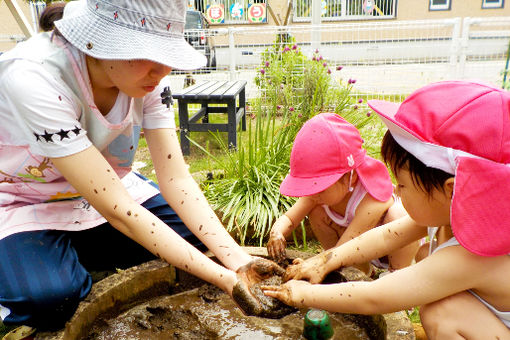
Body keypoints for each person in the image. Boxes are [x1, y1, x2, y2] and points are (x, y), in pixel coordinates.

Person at [0, 0, 283, 332]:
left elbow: (175, 178)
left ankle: (64, 257)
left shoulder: (150, 77)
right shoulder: (31, 77)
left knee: (197, 239)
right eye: (150, 53)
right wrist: (226, 280)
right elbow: (119, 209)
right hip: (24, 202)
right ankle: (40, 264)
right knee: (50, 300)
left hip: (102, 194)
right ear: (101, 40)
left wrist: (238, 261)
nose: (164, 70)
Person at [262, 81, 510, 339]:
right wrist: (325, 260)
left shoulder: (472, 255)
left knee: (442, 312)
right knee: (427, 256)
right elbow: (384, 236)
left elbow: (375, 298)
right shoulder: (455, 211)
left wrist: (302, 294)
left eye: (402, 184)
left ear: (450, 190)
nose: (397, 191)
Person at [267, 112, 418, 274]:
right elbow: (290, 218)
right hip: (354, 250)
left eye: (320, 187)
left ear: (349, 178)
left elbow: (349, 244)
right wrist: (277, 233)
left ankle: (397, 274)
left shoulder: (371, 198)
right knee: (317, 212)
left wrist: (317, 264)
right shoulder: (319, 195)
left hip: (390, 245)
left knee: (398, 215)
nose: (313, 193)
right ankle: (358, 271)